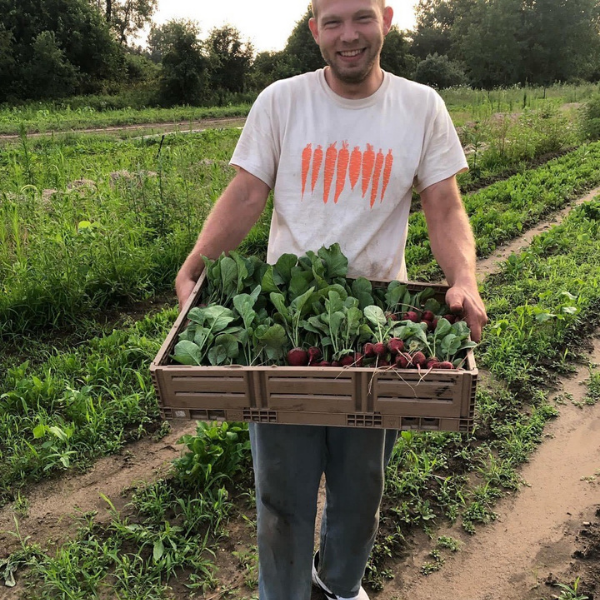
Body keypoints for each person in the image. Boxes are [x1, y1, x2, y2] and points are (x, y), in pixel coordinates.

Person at [175, 0, 488, 598]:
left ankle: (339, 586)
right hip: (287, 325)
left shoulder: (421, 107)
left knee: (360, 485)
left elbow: (444, 205)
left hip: (374, 332)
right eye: (334, 21)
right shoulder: (282, 101)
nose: (349, 36)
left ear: (388, 19)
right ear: (314, 26)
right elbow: (247, 193)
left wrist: (464, 278)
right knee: (282, 491)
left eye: (362, 18)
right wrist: (195, 264)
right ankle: (284, 592)